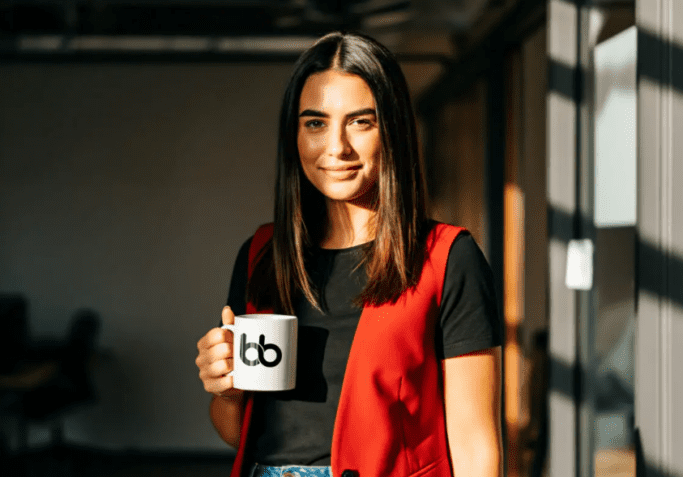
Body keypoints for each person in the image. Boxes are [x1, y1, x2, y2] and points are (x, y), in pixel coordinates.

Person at [195, 31, 502, 477]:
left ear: (392, 129)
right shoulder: (263, 253)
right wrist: (224, 391)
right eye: (314, 123)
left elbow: (475, 445)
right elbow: (237, 433)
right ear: (294, 134)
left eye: (361, 121)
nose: (336, 147)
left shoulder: (447, 257)